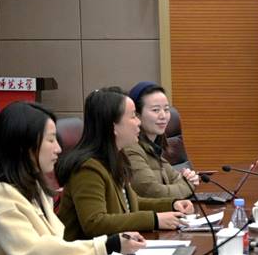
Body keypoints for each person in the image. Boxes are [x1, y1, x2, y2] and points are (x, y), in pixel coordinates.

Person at [0, 103, 146, 255]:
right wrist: (106, 246)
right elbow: (36, 254)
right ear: (25, 145)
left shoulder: (33, 186)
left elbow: (55, 241)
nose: (58, 149)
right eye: (51, 140)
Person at [56, 88, 194, 240]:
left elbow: (131, 203)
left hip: (117, 249)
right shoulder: (87, 168)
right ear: (113, 126)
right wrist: (154, 219)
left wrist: (172, 204)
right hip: (88, 253)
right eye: (133, 116)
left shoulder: (116, 157)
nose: (139, 122)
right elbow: (95, 223)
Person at [124, 81, 200, 200]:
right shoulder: (131, 149)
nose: (163, 116)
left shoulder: (153, 148)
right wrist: (188, 184)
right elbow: (156, 193)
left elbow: (176, 178)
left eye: (166, 109)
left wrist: (187, 179)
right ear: (137, 114)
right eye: (155, 110)